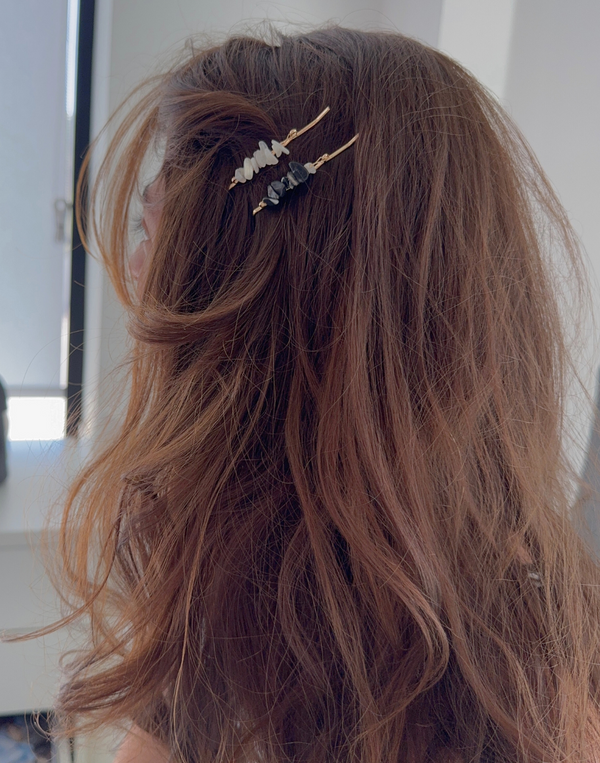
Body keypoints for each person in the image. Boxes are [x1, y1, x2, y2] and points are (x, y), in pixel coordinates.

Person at [54, 26, 600, 763]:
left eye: (160, 234)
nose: (137, 275)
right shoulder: (224, 573)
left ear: (269, 311)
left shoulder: (541, 693)